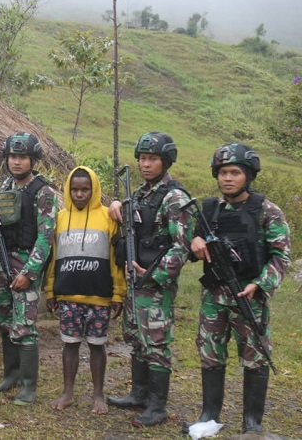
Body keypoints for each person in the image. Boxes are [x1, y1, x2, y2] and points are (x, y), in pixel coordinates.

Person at [184, 144, 290, 434]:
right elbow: (193, 245)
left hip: (250, 297)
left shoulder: (267, 211)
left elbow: (281, 256)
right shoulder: (210, 210)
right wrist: (194, 243)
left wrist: (260, 284)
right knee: (210, 354)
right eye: (222, 173)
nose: (227, 178)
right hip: (213, 296)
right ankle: (209, 416)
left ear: (248, 176)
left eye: (235, 173)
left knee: (255, 357)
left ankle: (252, 422)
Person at [107, 131, 193, 427]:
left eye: (153, 159)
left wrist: (154, 274)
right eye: (143, 158)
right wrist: (118, 204)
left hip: (155, 283)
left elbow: (181, 246)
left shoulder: (174, 198)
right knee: (136, 339)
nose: (146, 164)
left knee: (156, 343)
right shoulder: (142, 194)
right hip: (134, 280)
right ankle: (138, 394)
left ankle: (157, 406)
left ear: (165, 161)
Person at [0, 132, 59, 406]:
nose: (16, 162)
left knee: (24, 324)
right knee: (3, 319)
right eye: (13, 156)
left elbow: (46, 236)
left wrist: (29, 272)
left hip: (27, 261)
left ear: (32, 160)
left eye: (22, 157)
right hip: (5, 260)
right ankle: (10, 377)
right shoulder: (5, 185)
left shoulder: (43, 192)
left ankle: (28, 387)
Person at [44, 167, 125, 414]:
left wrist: (118, 293)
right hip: (68, 294)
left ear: (94, 190)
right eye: (74, 189)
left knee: (97, 345)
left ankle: (98, 394)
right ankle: (67, 392)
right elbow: (53, 256)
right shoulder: (60, 218)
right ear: (68, 190)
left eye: (85, 189)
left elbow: (116, 259)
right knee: (69, 345)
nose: (79, 194)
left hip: (99, 296)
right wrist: (50, 289)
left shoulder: (108, 217)